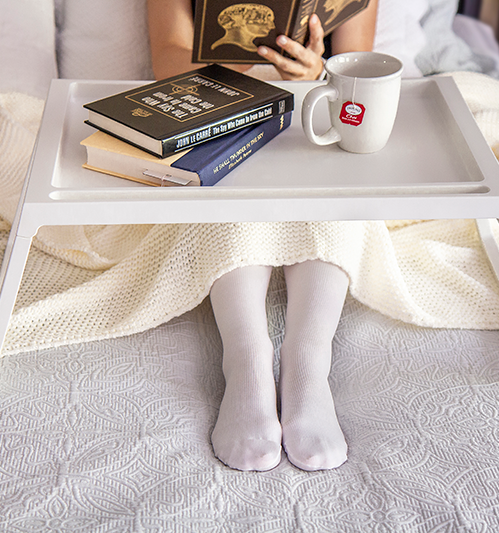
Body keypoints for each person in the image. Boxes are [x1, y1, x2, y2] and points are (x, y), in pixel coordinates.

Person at [146, 0, 378, 472]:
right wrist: (240, 59)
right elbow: (166, 62)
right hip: (216, 116)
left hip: (317, 125)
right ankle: (247, 358)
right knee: (224, 190)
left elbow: (361, 71)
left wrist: (319, 75)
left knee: (339, 193)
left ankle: (309, 360)